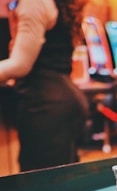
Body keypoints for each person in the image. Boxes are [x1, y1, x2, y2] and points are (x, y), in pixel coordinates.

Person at [0, 0, 89, 172]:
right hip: (64, 100)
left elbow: (20, 65)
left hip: (46, 106)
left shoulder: (34, 2)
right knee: (63, 183)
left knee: (41, 188)